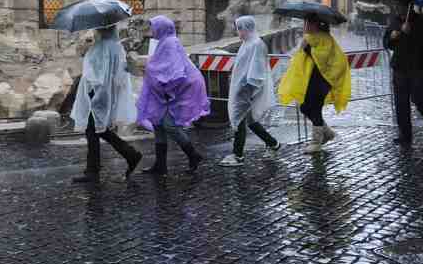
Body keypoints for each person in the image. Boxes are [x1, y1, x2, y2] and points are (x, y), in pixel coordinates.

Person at [135, 15, 208, 175]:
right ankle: (160, 165)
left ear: (161, 28)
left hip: (178, 89)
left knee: (169, 125)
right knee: (158, 123)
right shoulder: (164, 42)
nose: (151, 30)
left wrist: (168, 90)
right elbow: (161, 65)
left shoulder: (170, 43)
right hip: (167, 90)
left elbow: (176, 70)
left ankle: (193, 155)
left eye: (153, 27)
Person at [70, 25, 141, 183]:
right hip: (108, 94)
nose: (95, 32)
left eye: (97, 29)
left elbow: (95, 75)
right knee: (98, 130)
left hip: (97, 94)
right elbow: (121, 73)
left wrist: (92, 93)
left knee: (92, 130)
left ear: (102, 30)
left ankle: (94, 171)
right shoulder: (117, 47)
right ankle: (129, 155)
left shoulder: (101, 48)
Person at [278, 15, 351, 154]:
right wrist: (305, 45)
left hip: (324, 79)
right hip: (313, 79)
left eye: (310, 23)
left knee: (314, 107)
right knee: (305, 108)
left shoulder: (325, 38)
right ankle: (327, 133)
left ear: (317, 24)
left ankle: (316, 142)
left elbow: (322, 58)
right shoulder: (309, 37)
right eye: (306, 22)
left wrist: (307, 48)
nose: (307, 25)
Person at [219, 16, 281, 167]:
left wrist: (246, 88)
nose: (237, 31)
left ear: (246, 29)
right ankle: (273, 143)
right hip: (242, 87)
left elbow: (257, 70)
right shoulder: (247, 43)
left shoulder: (256, 44)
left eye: (239, 28)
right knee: (250, 121)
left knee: (239, 119)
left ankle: (238, 155)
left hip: (246, 88)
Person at [384, 0, 423, 145]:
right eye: (396, 5)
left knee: (419, 98)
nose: (397, 8)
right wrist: (392, 37)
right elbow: (386, 43)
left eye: (400, 6)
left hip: (418, 68)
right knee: (401, 103)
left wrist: (411, 32)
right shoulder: (394, 22)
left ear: (409, 7)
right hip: (400, 68)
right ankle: (405, 135)